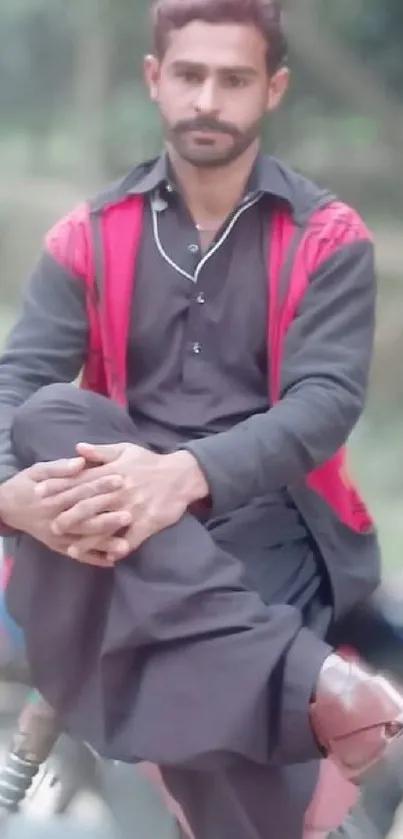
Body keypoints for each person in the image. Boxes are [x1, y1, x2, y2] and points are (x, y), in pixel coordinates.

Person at [0, 1, 402, 837]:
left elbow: (323, 406)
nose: (208, 99)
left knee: (169, 635)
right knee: (48, 412)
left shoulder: (327, 235)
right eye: (189, 75)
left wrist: (180, 476)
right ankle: (311, 684)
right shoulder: (88, 232)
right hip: (110, 502)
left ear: (273, 88)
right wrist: (12, 499)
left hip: (273, 518)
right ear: (155, 80)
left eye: (233, 78)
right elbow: (17, 387)